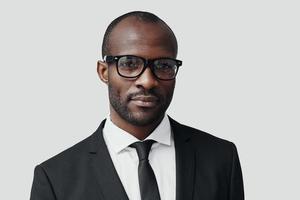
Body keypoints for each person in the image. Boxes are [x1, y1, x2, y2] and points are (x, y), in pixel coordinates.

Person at [30, 11, 244, 200]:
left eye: (163, 66)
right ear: (104, 72)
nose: (148, 81)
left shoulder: (221, 159)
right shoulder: (55, 179)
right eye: (130, 64)